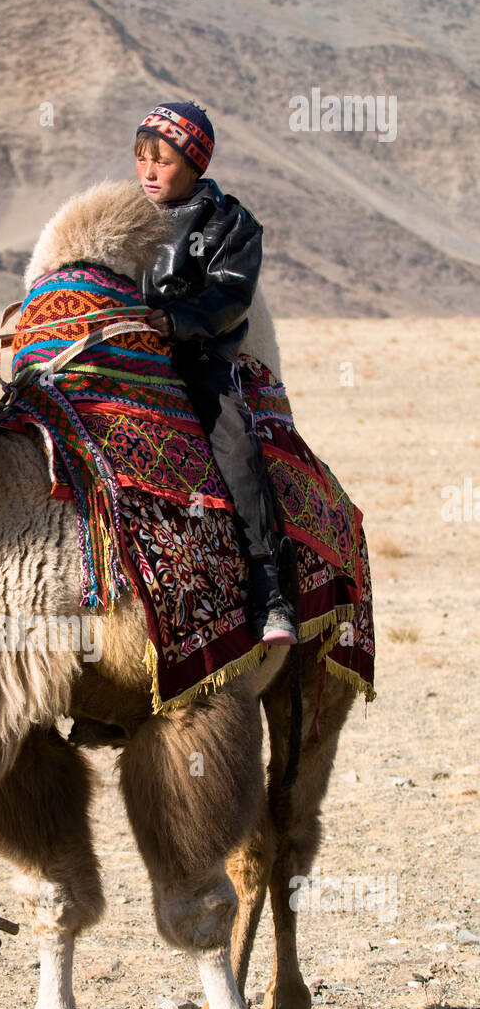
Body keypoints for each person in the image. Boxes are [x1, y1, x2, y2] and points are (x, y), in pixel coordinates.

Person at [135, 102, 297, 644]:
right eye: (141, 159)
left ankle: (268, 587)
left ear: (195, 163)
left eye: (162, 160)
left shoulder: (232, 224)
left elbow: (230, 297)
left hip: (198, 358)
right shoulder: (123, 216)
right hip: (130, 354)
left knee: (235, 442)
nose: (148, 172)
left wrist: (177, 320)